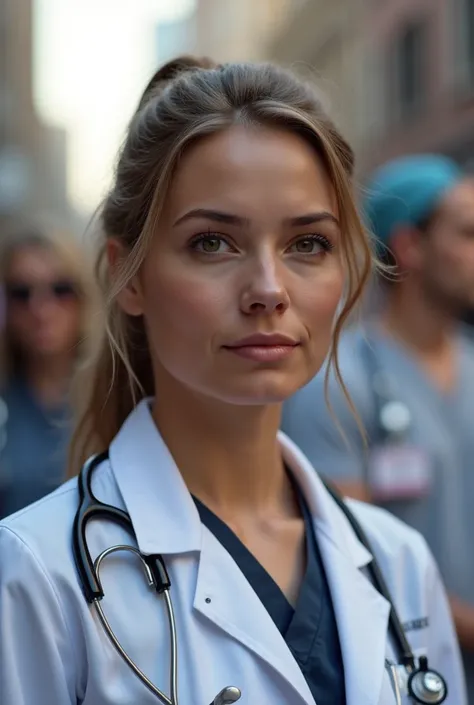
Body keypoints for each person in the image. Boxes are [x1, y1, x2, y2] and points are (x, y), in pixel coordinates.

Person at [0, 60, 466, 705]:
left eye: (308, 244)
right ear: (127, 275)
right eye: (213, 243)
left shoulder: (399, 563)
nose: (269, 291)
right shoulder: (36, 574)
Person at [282, 153, 474, 699]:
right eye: (467, 233)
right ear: (411, 245)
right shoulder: (338, 384)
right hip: (406, 674)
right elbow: (354, 564)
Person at [0, 223, 97, 518]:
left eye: (61, 289)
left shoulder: (116, 399)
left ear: (84, 297)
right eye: (21, 292)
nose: (41, 308)